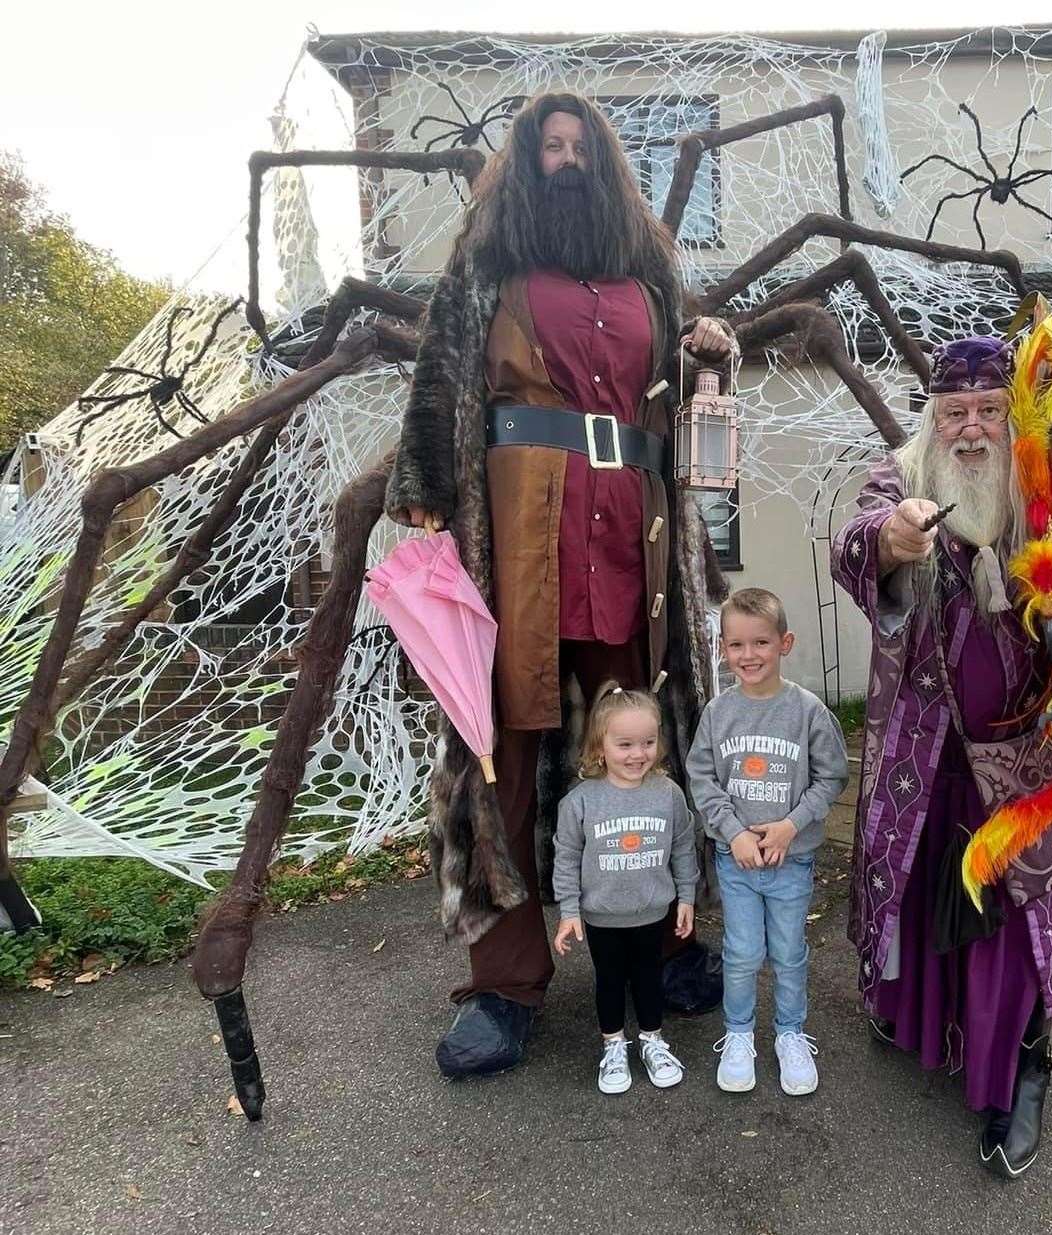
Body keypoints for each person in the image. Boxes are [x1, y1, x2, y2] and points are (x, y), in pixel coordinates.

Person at [383, 91, 734, 1079]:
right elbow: (443, 377)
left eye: (582, 146)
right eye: (550, 148)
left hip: (631, 529)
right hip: (517, 528)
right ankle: (504, 983)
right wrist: (425, 491)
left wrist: (711, 359)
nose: (566, 159)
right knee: (501, 754)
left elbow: (680, 396)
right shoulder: (488, 263)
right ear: (526, 166)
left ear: (606, 163)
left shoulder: (649, 271)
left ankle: (659, 944)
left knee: (639, 739)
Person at [830, 337, 1052, 1177]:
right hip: (921, 751)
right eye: (954, 414)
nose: (971, 429)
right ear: (932, 420)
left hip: (1023, 762)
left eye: (987, 412)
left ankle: (1023, 1068)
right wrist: (893, 538)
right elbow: (855, 542)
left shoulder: (1047, 494)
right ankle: (915, 1020)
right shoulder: (900, 477)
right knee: (910, 890)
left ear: (1009, 418)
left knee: (1014, 915)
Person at [685, 588, 849, 1096]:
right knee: (740, 952)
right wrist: (733, 833)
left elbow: (832, 778)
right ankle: (737, 1036)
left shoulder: (808, 712)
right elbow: (702, 778)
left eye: (760, 642)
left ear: (785, 643)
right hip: (737, 860)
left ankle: (790, 1033)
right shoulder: (717, 714)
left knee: (788, 950)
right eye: (736, 645)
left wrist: (790, 825)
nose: (748, 655)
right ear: (722, 650)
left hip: (790, 860)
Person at [552, 683, 697, 1094]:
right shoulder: (580, 803)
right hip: (602, 916)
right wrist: (568, 911)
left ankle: (652, 1039)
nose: (638, 754)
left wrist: (686, 896)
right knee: (610, 979)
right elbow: (566, 859)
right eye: (625, 744)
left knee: (650, 977)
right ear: (600, 748)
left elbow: (684, 847)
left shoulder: (668, 795)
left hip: (652, 912)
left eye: (648, 742)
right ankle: (613, 1045)